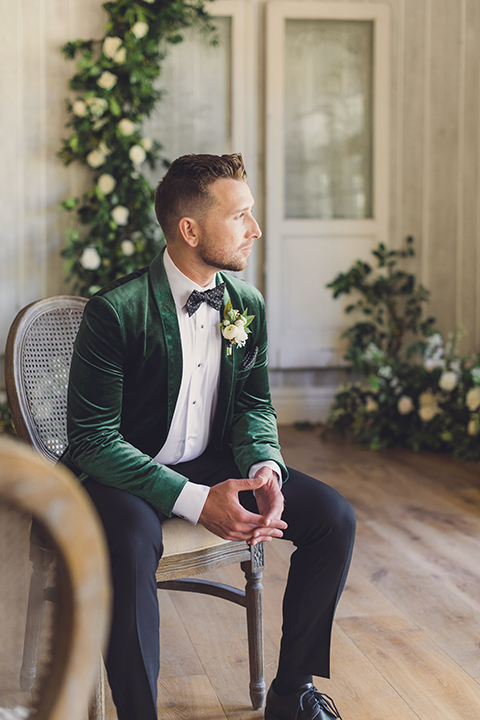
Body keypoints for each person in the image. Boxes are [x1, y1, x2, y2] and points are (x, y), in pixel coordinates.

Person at [61, 153, 356, 720]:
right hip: (124, 474)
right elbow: (92, 440)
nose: (256, 229)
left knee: (333, 519)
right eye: (241, 215)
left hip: (208, 458)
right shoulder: (114, 312)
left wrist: (265, 465)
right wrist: (197, 502)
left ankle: (292, 693)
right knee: (128, 543)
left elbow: (253, 405)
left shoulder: (246, 305)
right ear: (189, 229)